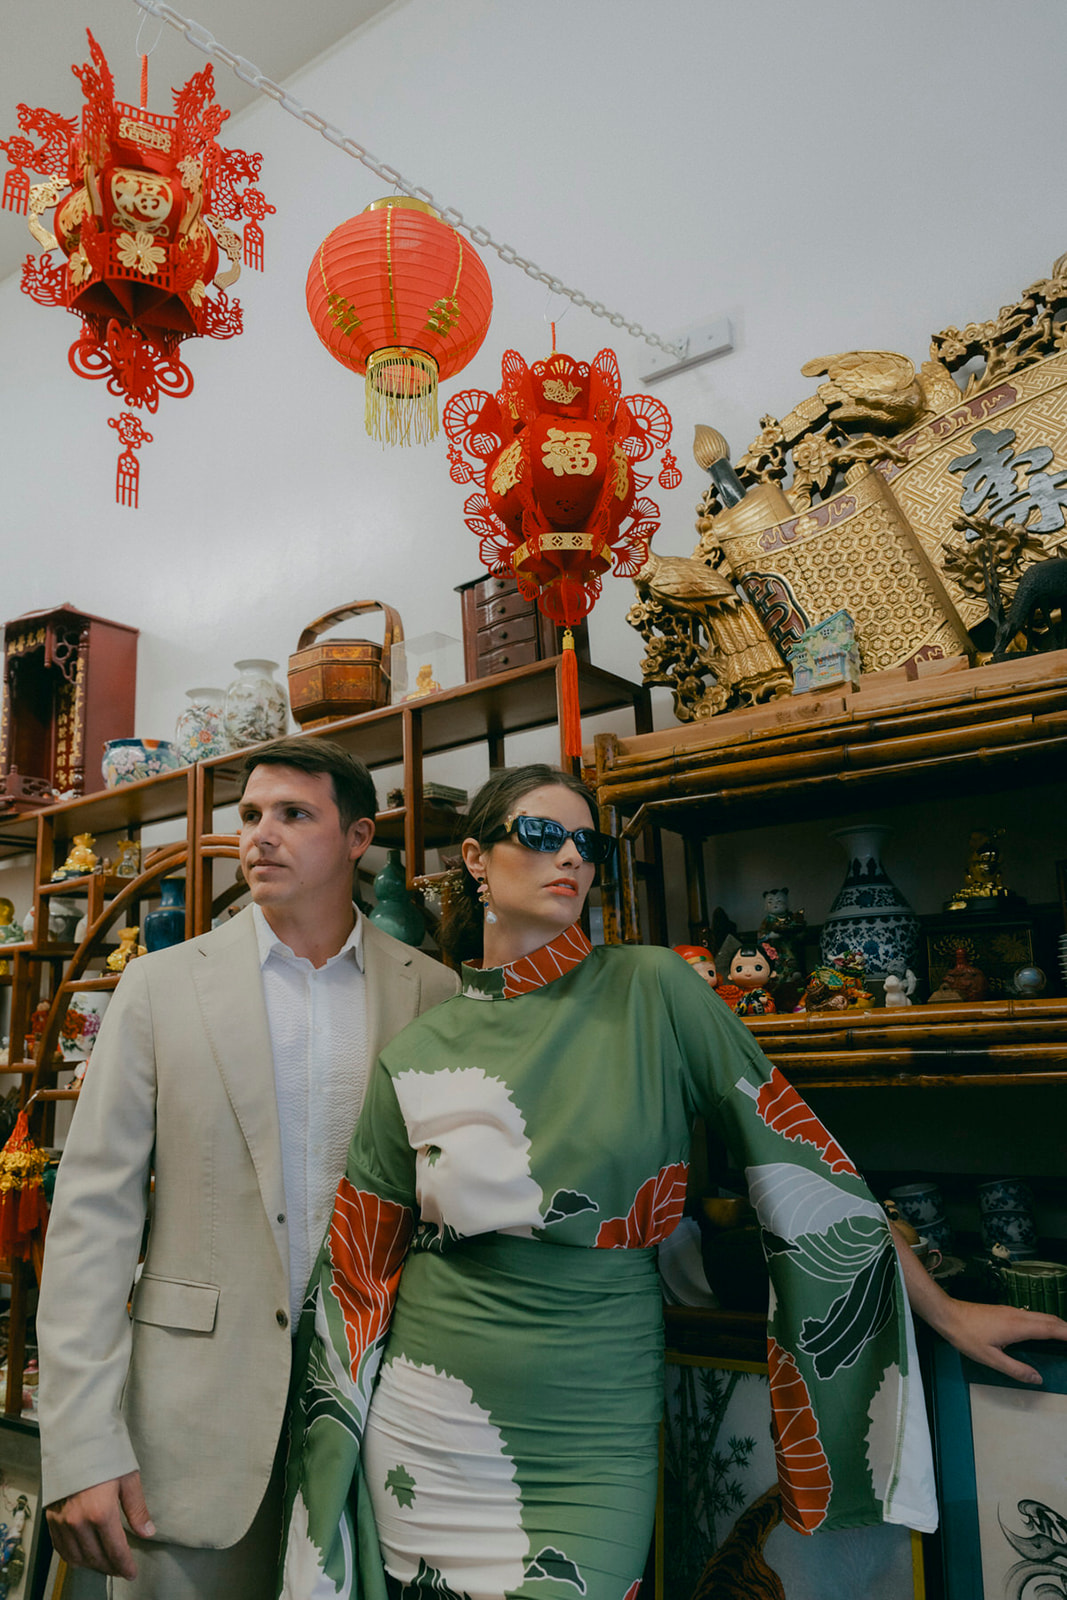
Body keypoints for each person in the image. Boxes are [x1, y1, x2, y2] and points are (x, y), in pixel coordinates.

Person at [280, 762, 1067, 1600]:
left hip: (598, 1417)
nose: (570, 860)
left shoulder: (653, 990)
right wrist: (325, 1466)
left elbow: (799, 1163)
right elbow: (358, 1268)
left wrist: (940, 1307)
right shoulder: (416, 1051)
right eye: (541, 836)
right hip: (431, 1423)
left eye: (586, 846)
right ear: (475, 859)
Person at [37, 737, 459, 1597]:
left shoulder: (433, 993)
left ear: (356, 838)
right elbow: (92, 1220)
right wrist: (78, 1444)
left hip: (380, 1414)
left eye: (294, 815)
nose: (260, 835)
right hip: (190, 1429)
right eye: (251, 816)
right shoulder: (159, 987)